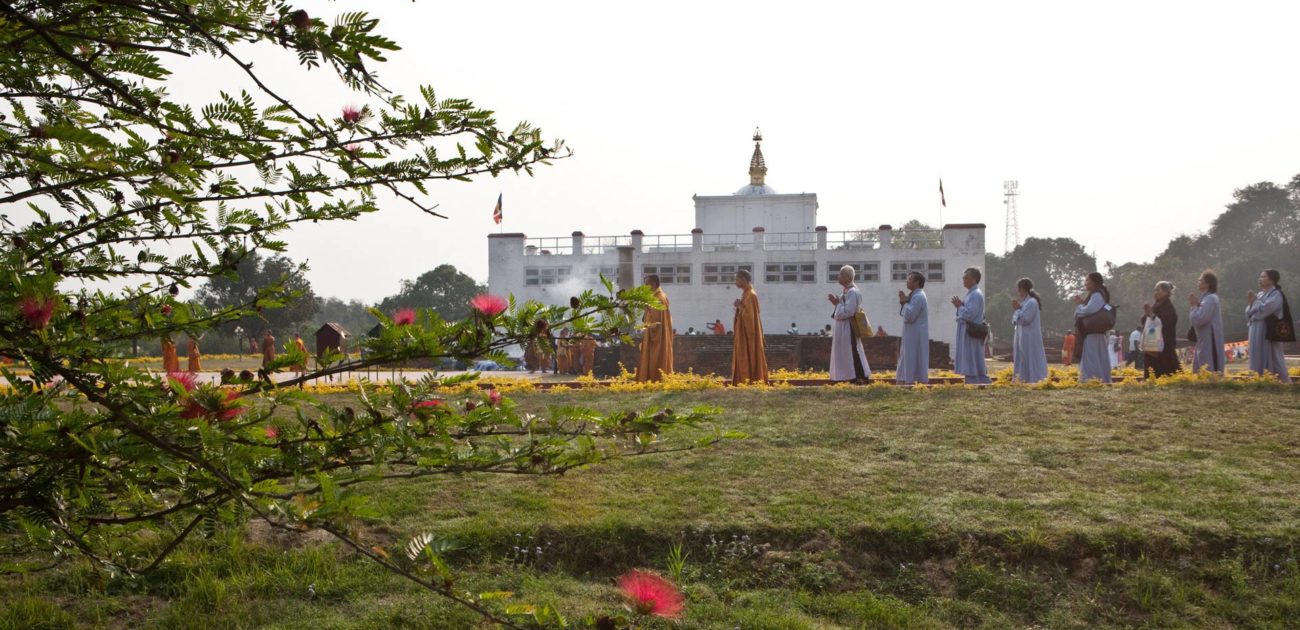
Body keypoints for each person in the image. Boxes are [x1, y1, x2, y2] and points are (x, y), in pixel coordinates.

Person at [1245, 269, 1292, 382]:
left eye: (1263, 277)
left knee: (1273, 356)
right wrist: (1252, 304)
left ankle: (1280, 380)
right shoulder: (1261, 294)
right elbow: (1249, 312)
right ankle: (1258, 379)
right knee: (1256, 354)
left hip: (1267, 330)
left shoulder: (1276, 294)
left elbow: (1266, 309)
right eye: (1259, 277)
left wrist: (1254, 303)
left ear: (1272, 280)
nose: (1259, 279)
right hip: (1255, 328)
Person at [827, 265, 871, 383]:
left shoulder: (853, 292)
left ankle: (860, 377)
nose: (838, 276)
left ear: (847, 277)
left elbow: (849, 311)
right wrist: (836, 303)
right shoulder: (845, 292)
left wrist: (837, 304)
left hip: (849, 327)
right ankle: (846, 376)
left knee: (852, 351)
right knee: (844, 352)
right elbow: (841, 309)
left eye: (840, 274)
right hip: (842, 327)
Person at [950, 267, 989, 384]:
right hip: (968, 331)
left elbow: (969, 315)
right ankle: (976, 380)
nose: (963, 279)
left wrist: (959, 306)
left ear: (974, 279)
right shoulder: (971, 294)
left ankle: (976, 380)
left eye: (966, 278)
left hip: (971, 332)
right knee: (972, 357)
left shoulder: (975, 295)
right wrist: (961, 306)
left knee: (972, 357)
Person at [1071, 272, 1112, 383]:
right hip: (1095, 332)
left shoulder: (1097, 294)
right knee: (1097, 357)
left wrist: (1079, 306)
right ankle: (1098, 378)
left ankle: (1091, 379)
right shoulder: (1097, 294)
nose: (1085, 283)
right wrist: (1082, 304)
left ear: (1094, 282)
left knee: (1092, 357)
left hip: (1093, 332)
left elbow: (1090, 310)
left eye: (1087, 280)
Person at [730, 269, 768, 383]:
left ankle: (750, 381)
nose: (735, 282)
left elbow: (749, 318)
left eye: (736, 279)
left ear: (743, 279)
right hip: (743, 334)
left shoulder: (751, 295)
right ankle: (743, 381)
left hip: (749, 336)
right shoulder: (746, 294)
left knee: (749, 356)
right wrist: (740, 306)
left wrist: (740, 306)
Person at [636, 275, 674, 382]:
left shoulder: (658, 298)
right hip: (659, 335)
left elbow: (655, 323)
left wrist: (647, 311)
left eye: (646, 284)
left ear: (653, 284)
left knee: (655, 358)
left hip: (656, 337)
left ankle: (654, 378)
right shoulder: (659, 296)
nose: (645, 287)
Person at [1011, 277, 1049, 383]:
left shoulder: (1032, 302)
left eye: (1019, 289)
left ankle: (1035, 378)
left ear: (1023, 289)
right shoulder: (1024, 303)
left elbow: (1025, 319)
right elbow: (1014, 319)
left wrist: (1018, 310)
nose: (1018, 292)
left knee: (1031, 357)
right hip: (1021, 335)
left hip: (1030, 336)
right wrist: (1017, 310)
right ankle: (1022, 378)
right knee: (1022, 358)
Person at [1188, 270, 1226, 375]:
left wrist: (1194, 305)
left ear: (1207, 284)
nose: (1198, 282)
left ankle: (1212, 381)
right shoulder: (1204, 298)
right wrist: (1195, 305)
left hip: (1210, 337)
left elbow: (1200, 319)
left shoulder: (1210, 298)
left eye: (1200, 280)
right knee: (1202, 359)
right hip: (1203, 337)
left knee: (1209, 362)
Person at [1141, 281, 1181, 378]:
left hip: (1164, 346)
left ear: (1166, 292)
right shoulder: (1156, 305)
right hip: (1152, 344)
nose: (1155, 292)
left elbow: (1164, 323)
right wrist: (1147, 314)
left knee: (1166, 372)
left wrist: (1152, 315)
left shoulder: (1168, 308)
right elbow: (1145, 321)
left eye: (1158, 290)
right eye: (1155, 290)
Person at [896, 271, 929, 384]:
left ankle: (910, 382)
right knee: (908, 357)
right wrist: (904, 301)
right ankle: (906, 381)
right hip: (912, 334)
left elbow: (910, 316)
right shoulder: (914, 295)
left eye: (910, 279)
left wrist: (904, 302)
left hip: (916, 335)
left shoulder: (918, 296)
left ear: (917, 282)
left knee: (913, 358)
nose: (907, 281)